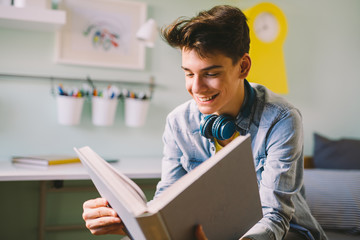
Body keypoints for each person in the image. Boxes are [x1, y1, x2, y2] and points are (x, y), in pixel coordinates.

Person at [82, 5, 327, 240]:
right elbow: (166, 199)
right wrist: (127, 222)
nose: (196, 88)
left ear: (243, 66)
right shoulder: (178, 122)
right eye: (189, 73)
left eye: (210, 73)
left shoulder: (281, 119)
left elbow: (274, 216)